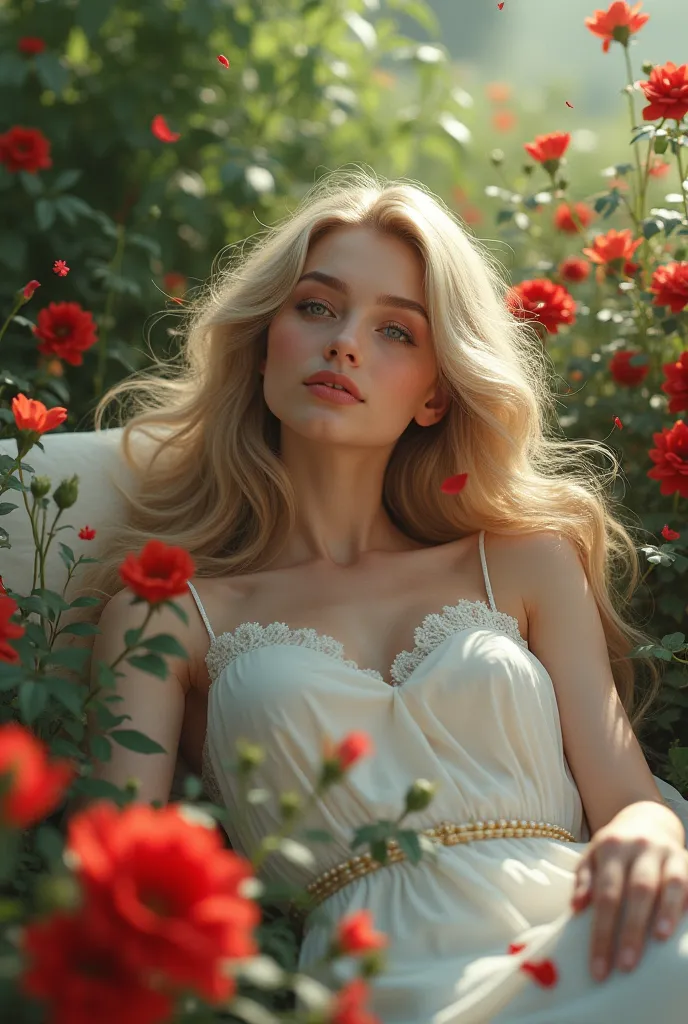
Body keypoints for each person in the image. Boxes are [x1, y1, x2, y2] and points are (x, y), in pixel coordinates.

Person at [84, 167, 688, 1023]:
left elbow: (630, 803)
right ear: (264, 342)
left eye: (396, 331)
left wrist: (643, 840)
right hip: (380, 988)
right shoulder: (167, 615)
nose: (345, 344)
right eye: (316, 307)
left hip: (611, 931)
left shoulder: (524, 563)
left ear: (438, 393)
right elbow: (117, 896)